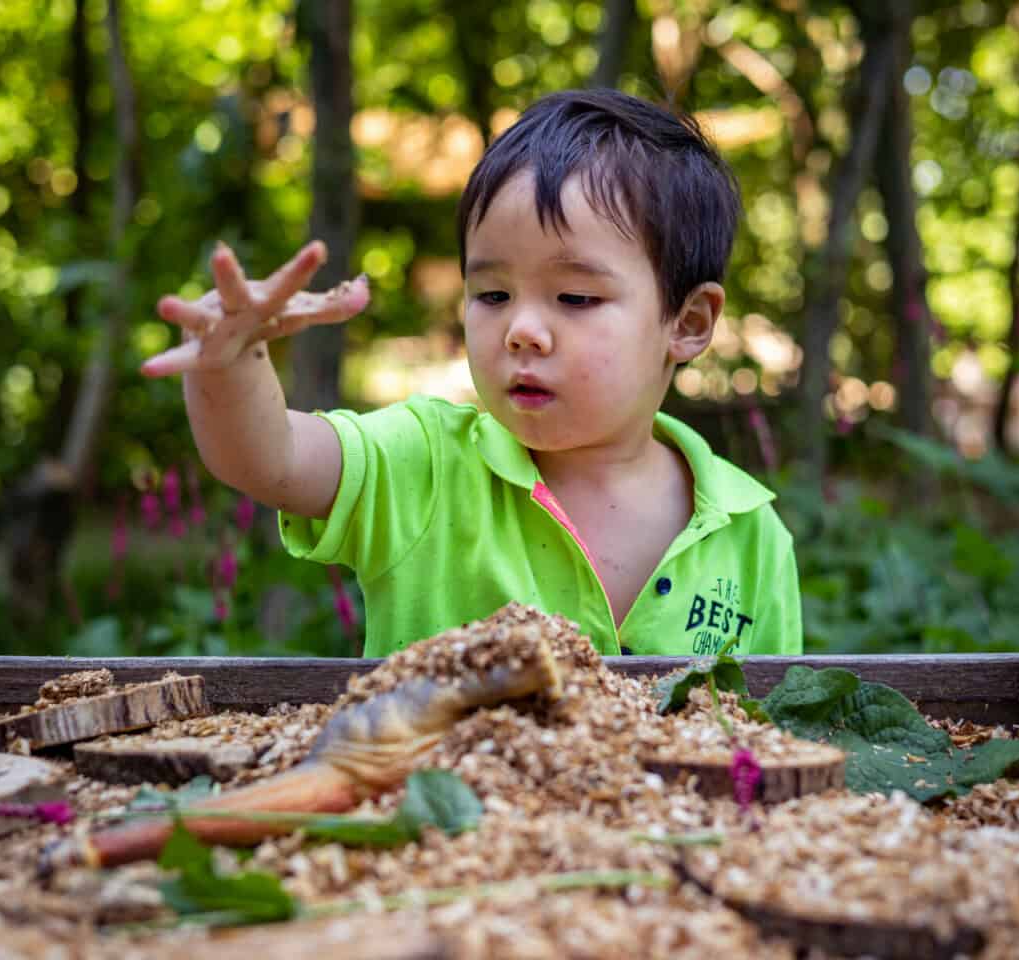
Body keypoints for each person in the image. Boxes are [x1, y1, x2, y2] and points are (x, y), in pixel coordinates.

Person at [143, 88, 802, 658]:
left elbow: (772, 743)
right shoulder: (424, 465)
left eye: (574, 298)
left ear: (687, 323)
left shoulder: (750, 535)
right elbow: (273, 459)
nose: (522, 329)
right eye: (492, 295)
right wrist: (230, 364)